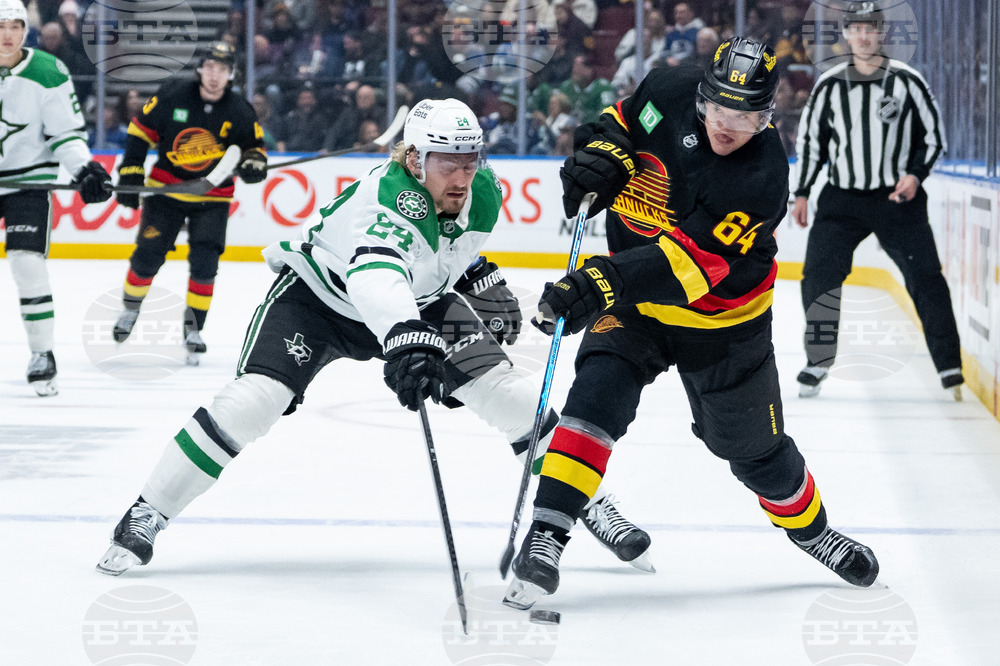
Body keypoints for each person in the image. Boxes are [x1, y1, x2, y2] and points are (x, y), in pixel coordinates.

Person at [95, 99, 652, 577]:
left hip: (423, 303)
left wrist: (476, 275)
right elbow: (377, 274)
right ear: (413, 159)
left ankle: (592, 504)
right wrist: (408, 338)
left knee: (512, 395)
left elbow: (446, 251)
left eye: (469, 160)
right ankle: (149, 510)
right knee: (252, 403)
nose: (460, 177)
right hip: (320, 299)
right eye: (445, 163)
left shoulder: (482, 190)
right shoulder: (386, 199)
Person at [502, 38, 880, 611]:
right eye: (721, 110)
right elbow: (617, 122)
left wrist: (602, 280)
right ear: (701, 97)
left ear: (768, 115)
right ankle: (546, 537)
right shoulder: (666, 90)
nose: (730, 126)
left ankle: (811, 531)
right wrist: (600, 155)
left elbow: (689, 267)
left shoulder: (761, 176)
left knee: (753, 450)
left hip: (724, 321)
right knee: (592, 402)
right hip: (633, 308)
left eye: (747, 116)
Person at [792, 2, 961, 399]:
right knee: (818, 279)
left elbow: (934, 138)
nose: (864, 36)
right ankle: (817, 361)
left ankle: (950, 365)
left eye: (871, 28)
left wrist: (914, 175)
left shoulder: (907, 81)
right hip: (841, 201)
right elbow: (812, 143)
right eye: (856, 29)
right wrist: (801, 192)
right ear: (847, 35)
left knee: (927, 280)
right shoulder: (830, 84)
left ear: (881, 33)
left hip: (897, 200)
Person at [111, 41, 268, 362]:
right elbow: (140, 131)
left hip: (213, 197)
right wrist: (130, 172)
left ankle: (193, 328)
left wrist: (255, 163)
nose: (214, 76)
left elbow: (255, 147)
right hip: (166, 193)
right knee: (147, 257)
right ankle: (129, 309)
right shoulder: (172, 95)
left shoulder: (239, 110)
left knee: (206, 264)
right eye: (209, 68)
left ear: (230, 75)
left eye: (222, 70)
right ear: (200, 69)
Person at [0, 0, 112, 396]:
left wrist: (86, 169)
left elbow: (65, 135)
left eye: (15, 25)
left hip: (27, 182)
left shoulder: (49, 71)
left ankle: (42, 353)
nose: (8, 34)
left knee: (27, 262)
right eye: (0, 26)